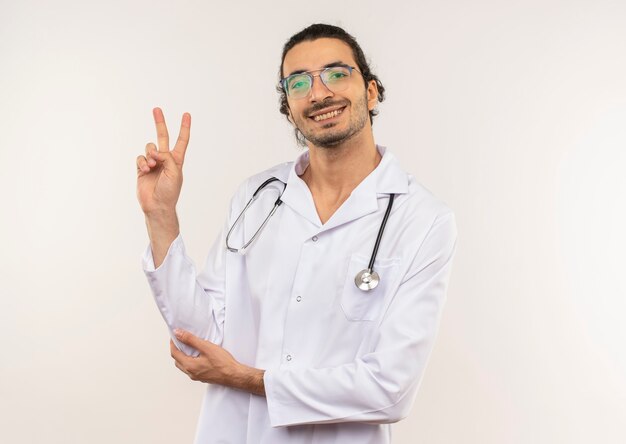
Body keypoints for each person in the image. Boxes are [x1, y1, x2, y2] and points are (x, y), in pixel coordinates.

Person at [136, 23, 457, 444]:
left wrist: (251, 379)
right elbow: (200, 342)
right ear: (288, 107)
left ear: (372, 91)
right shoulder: (257, 196)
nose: (319, 93)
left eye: (337, 74)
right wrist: (161, 215)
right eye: (299, 82)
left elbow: (390, 390)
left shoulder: (423, 219)